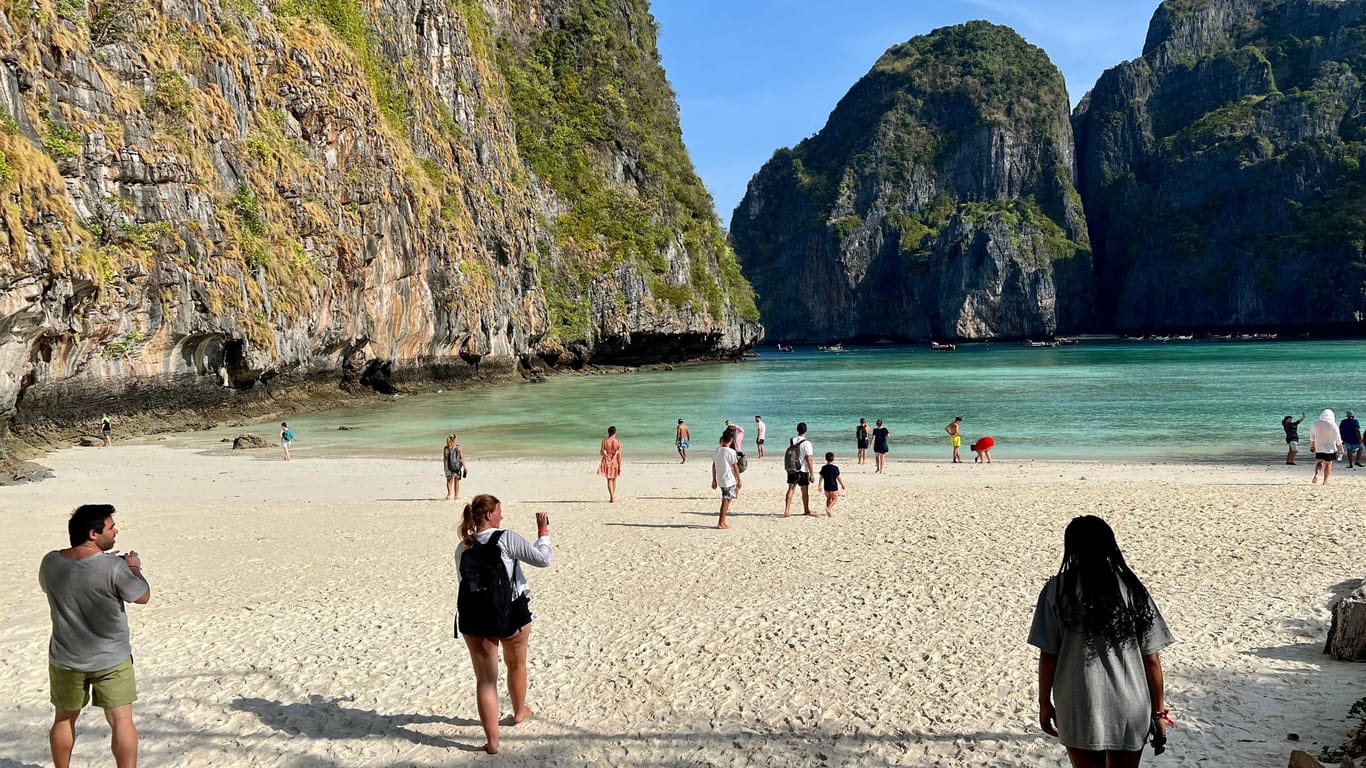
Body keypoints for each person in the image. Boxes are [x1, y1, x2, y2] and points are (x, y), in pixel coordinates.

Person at [1029, 515, 1175, 768]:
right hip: (1131, 704)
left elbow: (1049, 655)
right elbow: (1151, 658)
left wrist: (1044, 703)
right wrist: (1159, 712)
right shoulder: (1132, 590)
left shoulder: (1057, 590)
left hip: (1078, 702)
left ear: (1071, 548)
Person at [39, 504, 151, 768]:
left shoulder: (50, 562)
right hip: (111, 659)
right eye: (111, 527)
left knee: (64, 719)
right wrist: (133, 567)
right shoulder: (113, 567)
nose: (116, 531)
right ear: (93, 534)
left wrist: (103, 560)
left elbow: (70, 575)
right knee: (122, 721)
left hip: (66, 657)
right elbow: (142, 595)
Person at [455, 495, 552, 755]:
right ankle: (519, 711)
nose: (502, 516)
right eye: (499, 512)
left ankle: (492, 742)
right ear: (489, 515)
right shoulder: (506, 537)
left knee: (485, 681)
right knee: (516, 664)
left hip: (475, 618)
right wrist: (543, 532)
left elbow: (464, 581)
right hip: (511, 614)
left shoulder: (464, 546)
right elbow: (543, 559)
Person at [784, 422, 816, 517]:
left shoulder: (791, 441)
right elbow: (809, 459)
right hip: (803, 469)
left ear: (797, 430)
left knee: (791, 489)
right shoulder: (807, 443)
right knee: (804, 491)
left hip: (792, 467)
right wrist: (812, 474)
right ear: (806, 431)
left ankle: (787, 510)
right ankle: (806, 510)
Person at [711, 428, 741, 529]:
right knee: (726, 500)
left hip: (720, 479)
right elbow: (736, 467)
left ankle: (722, 521)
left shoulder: (717, 450)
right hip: (728, 479)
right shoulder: (731, 452)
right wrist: (739, 480)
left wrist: (714, 479)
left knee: (727, 499)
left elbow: (714, 465)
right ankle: (721, 522)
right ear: (732, 440)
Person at [1310, 409, 1344, 485]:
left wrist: (1312, 446)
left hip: (1319, 447)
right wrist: (1341, 449)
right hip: (1330, 448)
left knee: (1319, 462)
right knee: (1328, 463)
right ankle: (1325, 481)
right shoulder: (1333, 425)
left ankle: (1316, 474)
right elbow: (1338, 439)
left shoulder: (1315, 424)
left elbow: (1312, 437)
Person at [597, 426, 622, 502]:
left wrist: (606, 455)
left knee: (609, 479)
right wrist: (620, 466)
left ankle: (611, 496)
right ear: (615, 432)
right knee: (614, 479)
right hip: (614, 461)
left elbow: (601, 452)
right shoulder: (618, 441)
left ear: (608, 432)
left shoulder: (604, 441)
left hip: (607, 460)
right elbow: (619, 455)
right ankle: (613, 496)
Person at [818, 451, 846, 516]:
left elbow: (821, 477)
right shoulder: (835, 468)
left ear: (826, 459)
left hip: (826, 487)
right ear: (833, 459)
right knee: (835, 499)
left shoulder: (824, 468)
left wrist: (819, 485)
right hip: (833, 487)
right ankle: (828, 509)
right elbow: (838, 477)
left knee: (828, 498)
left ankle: (829, 512)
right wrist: (842, 484)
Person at [444, 434, 466, 500]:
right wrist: (465, 467)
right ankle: (456, 496)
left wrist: (445, 467)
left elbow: (444, 458)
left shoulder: (446, 448)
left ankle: (449, 494)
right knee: (457, 481)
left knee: (449, 480)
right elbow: (462, 458)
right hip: (457, 466)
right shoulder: (458, 447)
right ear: (455, 439)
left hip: (448, 466)